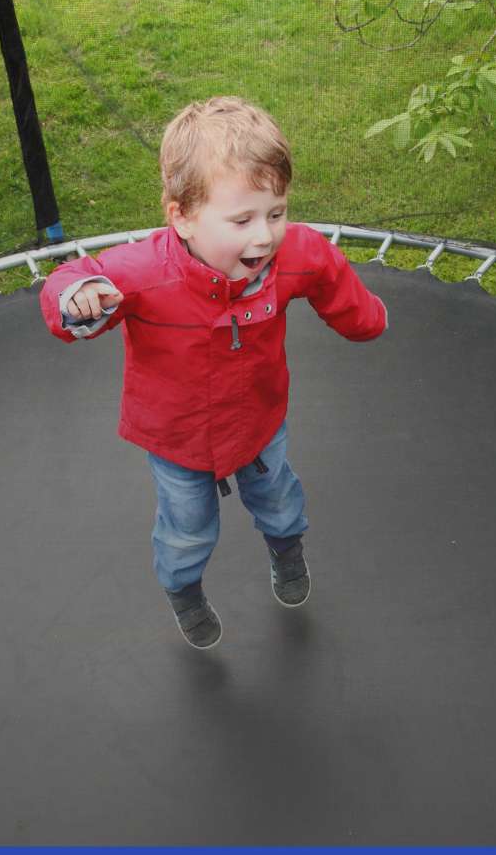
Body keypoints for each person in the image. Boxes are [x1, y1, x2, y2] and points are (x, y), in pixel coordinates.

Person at [38, 96, 388, 649]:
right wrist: (79, 298)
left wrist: (368, 320)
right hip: (176, 439)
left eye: (276, 213)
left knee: (280, 501)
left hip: (258, 420)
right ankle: (184, 591)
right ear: (182, 216)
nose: (264, 236)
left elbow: (328, 273)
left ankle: (287, 552)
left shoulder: (291, 252)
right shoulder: (143, 270)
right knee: (186, 530)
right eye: (243, 219)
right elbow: (73, 281)